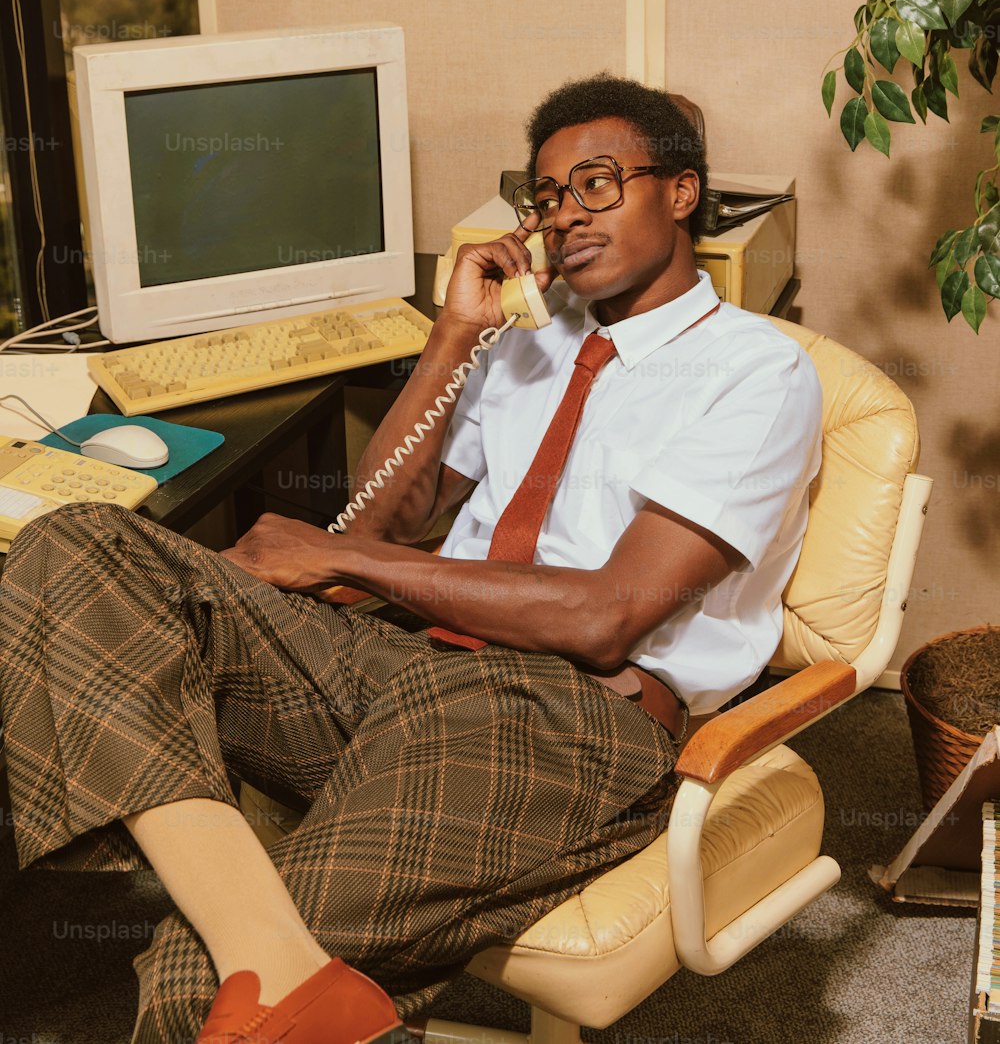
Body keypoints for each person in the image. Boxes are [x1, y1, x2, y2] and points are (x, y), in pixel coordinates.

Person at [0, 73, 823, 1044]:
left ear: (679, 191)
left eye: (597, 184)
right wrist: (454, 335)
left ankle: (273, 980)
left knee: (197, 981)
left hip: (562, 711)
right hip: (394, 665)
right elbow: (383, 520)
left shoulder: (756, 374)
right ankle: (304, 986)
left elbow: (604, 616)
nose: (567, 217)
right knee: (79, 545)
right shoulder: (528, 342)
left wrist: (336, 561)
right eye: (548, 198)